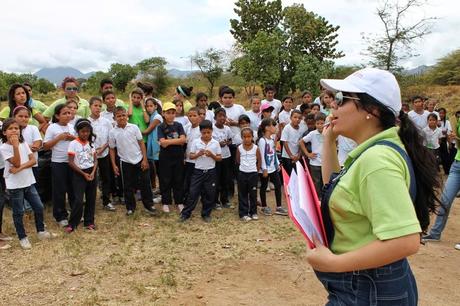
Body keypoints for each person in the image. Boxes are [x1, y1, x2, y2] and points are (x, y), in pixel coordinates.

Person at [306, 67, 439, 305]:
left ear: (373, 110)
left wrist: (333, 263)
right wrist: (329, 141)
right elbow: (336, 186)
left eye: (342, 99)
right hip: (369, 285)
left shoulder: (376, 160)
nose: (332, 106)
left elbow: (405, 240)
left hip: (369, 290)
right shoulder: (374, 150)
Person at [0, 119, 54, 249]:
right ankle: (22, 237)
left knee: (39, 206)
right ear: (4, 132)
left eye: (17, 128)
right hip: (15, 185)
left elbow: (32, 160)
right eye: (11, 128)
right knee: (18, 212)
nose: (14, 131)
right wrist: (14, 146)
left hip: (28, 181)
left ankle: (41, 231)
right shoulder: (4, 147)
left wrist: (18, 169)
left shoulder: (23, 143)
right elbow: (16, 162)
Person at [109, 107, 156, 216]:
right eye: (119, 116)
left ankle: (149, 205)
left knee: (145, 183)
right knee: (127, 186)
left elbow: (141, 143)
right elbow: (112, 149)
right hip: (125, 162)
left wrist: (144, 159)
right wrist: (114, 164)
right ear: (114, 118)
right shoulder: (112, 132)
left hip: (139, 159)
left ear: (127, 116)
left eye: (123, 115)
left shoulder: (134, 127)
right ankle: (130, 207)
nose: (122, 118)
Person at [180, 120, 222, 222]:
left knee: (209, 193)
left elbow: (219, 158)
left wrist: (211, 155)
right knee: (193, 193)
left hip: (211, 172)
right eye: (204, 133)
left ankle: (206, 214)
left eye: (208, 132)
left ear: (212, 131)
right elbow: (191, 155)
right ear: (200, 132)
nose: (206, 135)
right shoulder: (196, 142)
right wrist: (198, 154)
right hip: (198, 171)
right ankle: (186, 214)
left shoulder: (215, 143)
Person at [43, 104, 76, 226]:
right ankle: (60, 215)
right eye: (64, 113)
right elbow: (45, 146)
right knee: (59, 190)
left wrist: (73, 138)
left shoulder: (72, 127)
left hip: (72, 162)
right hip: (58, 162)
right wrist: (59, 138)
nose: (68, 115)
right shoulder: (52, 128)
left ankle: (75, 212)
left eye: (69, 113)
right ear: (57, 115)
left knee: (73, 188)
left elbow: (77, 142)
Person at [66, 119, 98, 232]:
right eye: (83, 131)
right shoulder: (73, 144)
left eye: (88, 131)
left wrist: (93, 172)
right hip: (79, 173)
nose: (85, 134)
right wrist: (83, 173)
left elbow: (95, 160)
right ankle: (73, 223)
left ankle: (89, 222)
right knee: (78, 200)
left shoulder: (91, 144)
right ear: (78, 132)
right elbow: (70, 162)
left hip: (91, 173)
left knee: (91, 198)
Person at [157, 102, 186, 213]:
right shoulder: (161, 127)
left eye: (173, 113)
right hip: (165, 157)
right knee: (165, 179)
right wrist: (176, 141)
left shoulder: (178, 125)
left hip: (178, 156)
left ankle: (179, 201)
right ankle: (166, 202)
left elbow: (183, 140)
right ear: (163, 113)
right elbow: (163, 143)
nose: (171, 115)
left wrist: (169, 142)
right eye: (168, 113)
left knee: (178, 179)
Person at [88, 97, 116, 211]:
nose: (98, 108)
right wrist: (94, 150)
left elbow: (110, 137)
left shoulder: (106, 122)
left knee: (106, 177)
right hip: (90, 155)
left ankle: (106, 201)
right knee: (90, 178)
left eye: (100, 106)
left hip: (104, 154)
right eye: (95, 105)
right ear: (90, 106)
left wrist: (103, 148)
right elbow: (84, 138)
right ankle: (90, 201)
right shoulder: (86, 122)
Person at [257, 118, 287, 216]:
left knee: (278, 185)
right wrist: (264, 169)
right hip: (265, 169)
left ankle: (279, 207)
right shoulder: (262, 141)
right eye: (273, 125)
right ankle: (264, 206)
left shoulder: (271, 139)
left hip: (273, 167)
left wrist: (277, 163)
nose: (275, 127)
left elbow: (273, 153)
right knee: (264, 186)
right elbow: (261, 155)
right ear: (267, 128)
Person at [236, 127, 261, 221]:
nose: (247, 139)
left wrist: (256, 171)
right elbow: (238, 160)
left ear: (252, 137)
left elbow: (259, 160)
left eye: (249, 136)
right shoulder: (239, 148)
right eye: (244, 137)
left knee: (253, 194)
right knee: (242, 194)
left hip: (253, 174)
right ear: (242, 137)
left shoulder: (255, 148)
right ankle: (243, 213)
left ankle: (253, 212)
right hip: (242, 173)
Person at [299, 112, 326, 198]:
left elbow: (335, 142)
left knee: (325, 181)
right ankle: (317, 199)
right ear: (315, 124)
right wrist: (307, 154)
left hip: (326, 163)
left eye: (322, 123)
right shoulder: (312, 133)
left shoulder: (329, 133)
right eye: (318, 123)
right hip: (315, 163)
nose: (320, 125)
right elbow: (301, 142)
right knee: (316, 182)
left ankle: (325, 199)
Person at [212, 107, 233, 209]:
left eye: (224, 116)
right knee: (216, 180)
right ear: (215, 117)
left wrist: (227, 143)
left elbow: (230, 140)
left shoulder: (227, 129)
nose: (222, 118)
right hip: (216, 158)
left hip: (226, 157)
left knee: (226, 179)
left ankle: (224, 200)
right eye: (219, 116)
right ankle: (215, 201)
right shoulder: (212, 128)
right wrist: (218, 144)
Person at [143, 98, 163, 195]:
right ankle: (159, 188)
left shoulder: (157, 117)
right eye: (147, 106)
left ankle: (163, 189)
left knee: (159, 169)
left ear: (155, 106)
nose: (149, 108)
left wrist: (135, 131)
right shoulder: (151, 116)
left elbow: (148, 130)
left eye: (151, 106)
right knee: (155, 167)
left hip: (157, 145)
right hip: (153, 144)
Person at [183, 107, 202, 203]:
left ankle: (197, 197)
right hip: (188, 159)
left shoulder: (201, 129)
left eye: (195, 115)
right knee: (188, 180)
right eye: (190, 116)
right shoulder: (186, 128)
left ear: (199, 116)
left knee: (197, 181)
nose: (192, 118)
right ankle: (187, 198)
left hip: (198, 159)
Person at [280, 110, 306, 175]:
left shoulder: (301, 129)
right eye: (295, 117)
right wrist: (291, 155)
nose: (297, 119)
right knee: (290, 175)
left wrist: (299, 155)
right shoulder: (287, 128)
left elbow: (301, 142)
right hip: (287, 157)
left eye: (299, 118)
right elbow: (285, 142)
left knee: (298, 174)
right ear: (291, 118)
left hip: (297, 156)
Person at [438, 107, 455, 174]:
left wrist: (450, 143)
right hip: (435, 140)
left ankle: (447, 171)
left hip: (443, 140)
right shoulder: (434, 121)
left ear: (445, 114)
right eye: (440, 113)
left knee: (445, 156)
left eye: (443, 113)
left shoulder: (447, 122)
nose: (441, 115)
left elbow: (447, 133)